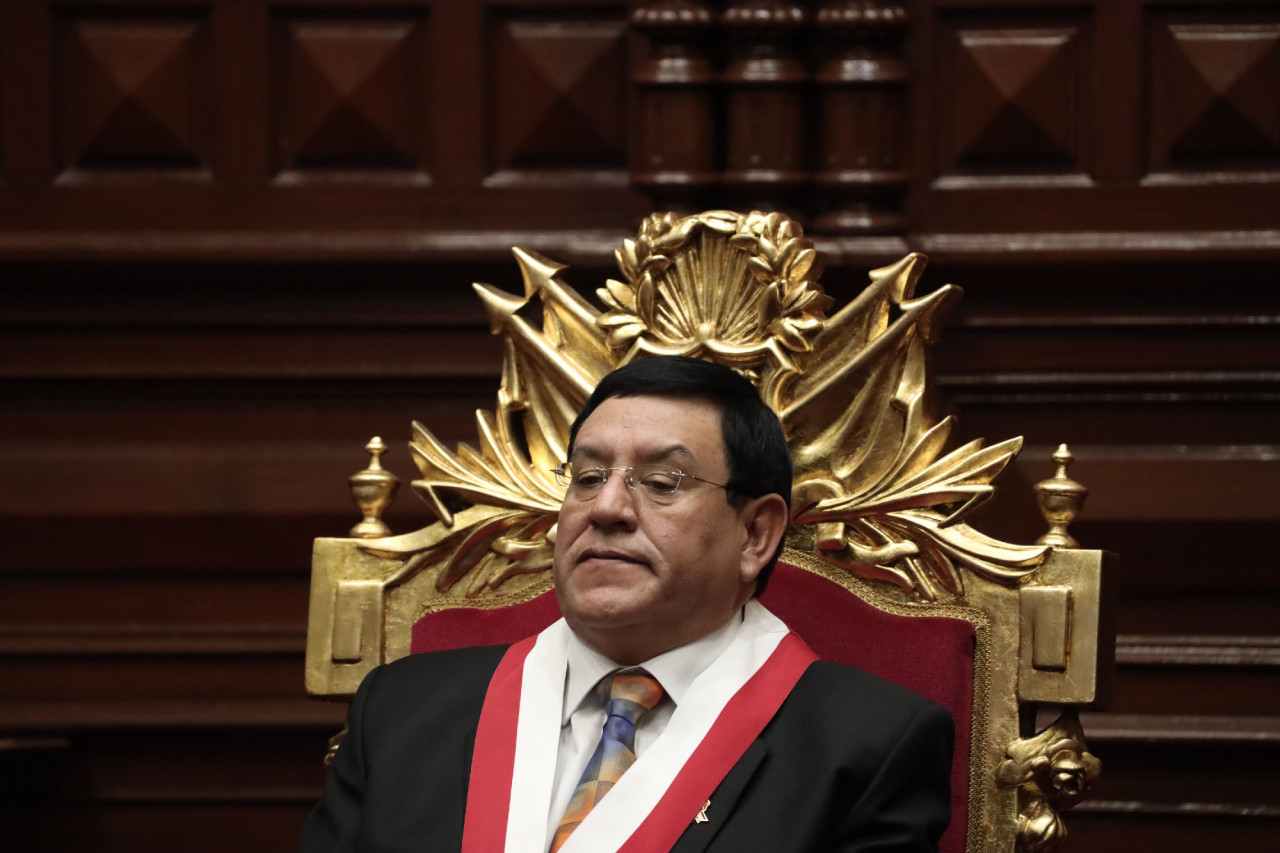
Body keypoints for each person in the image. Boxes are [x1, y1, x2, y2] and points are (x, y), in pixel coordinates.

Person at [300, 355, 953, 853]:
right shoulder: (402, 711)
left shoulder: (866, 747)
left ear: (755, 533)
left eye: (662, 481)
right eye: (587, 477)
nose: (606, 508)